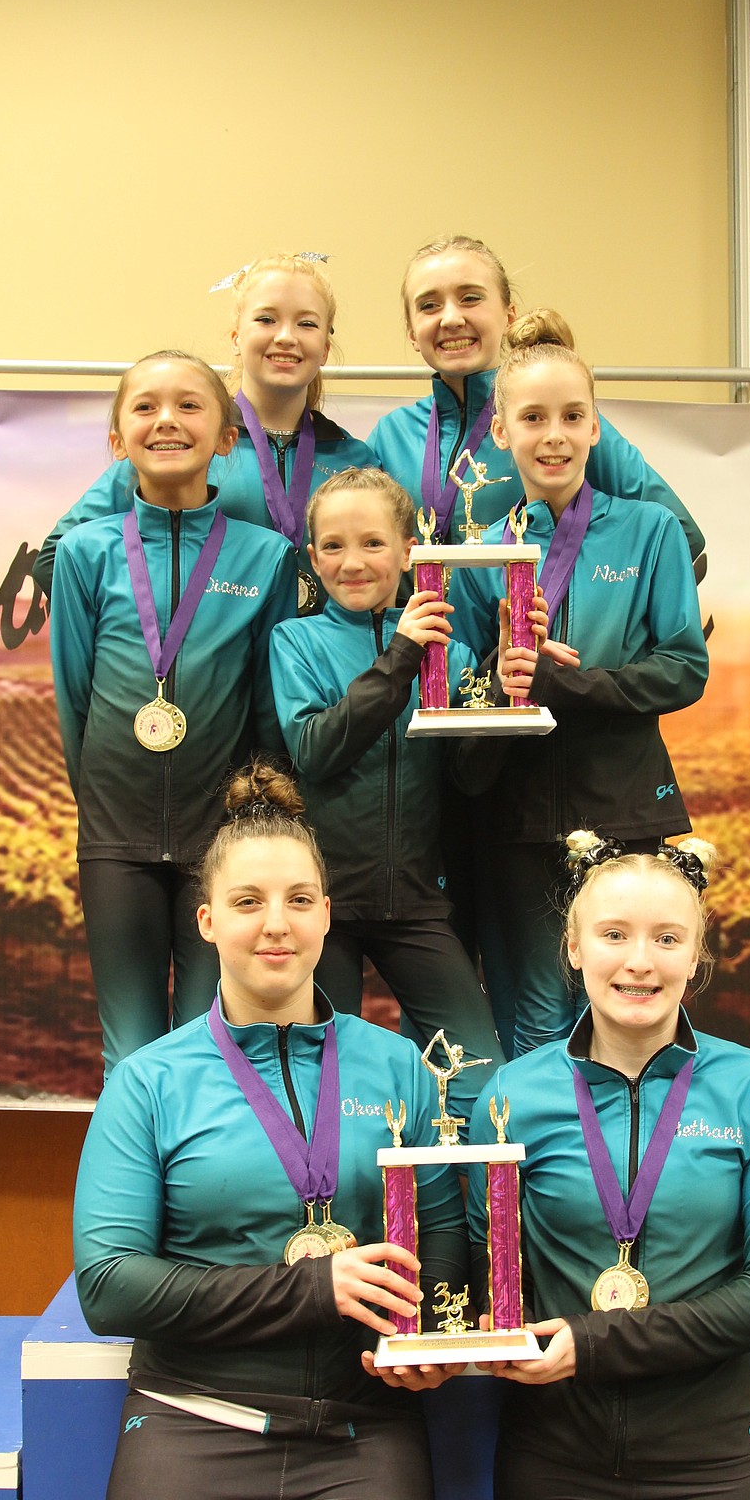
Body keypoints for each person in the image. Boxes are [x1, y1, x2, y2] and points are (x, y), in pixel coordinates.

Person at [73, 762, 467, 1500]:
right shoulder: (151, 1083)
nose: (275, 923)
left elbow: (448, 1253)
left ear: (329, 915)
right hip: (188, 1439)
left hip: (360, 1449)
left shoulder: (402, 1073)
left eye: (297, 899)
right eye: (246, 901)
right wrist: (313, 1289)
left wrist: (431, 1346)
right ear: (205, 921)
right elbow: (110, 1286)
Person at [466, 833, 750, 1500]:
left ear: (697, 955)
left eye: (667, 937)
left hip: (707, 1464)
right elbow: (480, 1276)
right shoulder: (510, 1094)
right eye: (615, 934)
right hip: (556, 1464)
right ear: (574, 947)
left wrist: (588, 1343)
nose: (639, 961)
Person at [450, 310, 709, 1053]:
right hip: (517, 814)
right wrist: (502, 687)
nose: (554, 434)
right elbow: (463, 689)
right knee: (533, 1018)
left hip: (623, 804)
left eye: (572, 416)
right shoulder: (480, 550)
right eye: (532, 418)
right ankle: (544, 1172)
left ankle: (623, 1169)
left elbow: (684, 668)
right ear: (501, 434)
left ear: (598, 428)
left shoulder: (649, 532)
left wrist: (575, 687)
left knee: (630, 1010)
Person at [50, 351, 297, 1074]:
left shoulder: (266, 557)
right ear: (116, 438)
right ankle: (131, 1189)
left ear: (226, 437)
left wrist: (248, 824)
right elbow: (74, 699)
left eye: (190, 405)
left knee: (210, 1042)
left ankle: (198, 1191)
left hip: (220, 843)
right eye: (146, 406)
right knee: (128, 1049)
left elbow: (266, 712)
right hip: (115, 840)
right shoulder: (86, 553)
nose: (166, 419)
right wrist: (102, 808)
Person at [268, 465, 505, 1113]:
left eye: (373, 543)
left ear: (408, 551)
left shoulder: (447, 651)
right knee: (323, 1088)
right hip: (322, 908)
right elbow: (317, 750)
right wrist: (401, 655)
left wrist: (502, 692)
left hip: (417, 905)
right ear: (312, 558)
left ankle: (451, 1213)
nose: (354, 562)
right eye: (334, 546)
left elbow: (467, 780)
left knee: (484, 1081)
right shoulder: (295, 642)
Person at [34, 253, 377, 612]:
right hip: (219, 666)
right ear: (235, 338)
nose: (286, 337)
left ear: (324, 348)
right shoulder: (187, 444)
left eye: (306, 324)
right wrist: (158, 623)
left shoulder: (354, 460)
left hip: (316, 666)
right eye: (266, 319)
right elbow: (53, 560)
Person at [368, 234, 705, 561]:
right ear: (412, 332)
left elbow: (679, 535)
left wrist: (585, 598)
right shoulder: (390, 437)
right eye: (429, 305)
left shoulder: (556, 422)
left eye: (471, 298)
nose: (452, 318)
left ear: (508, 314)